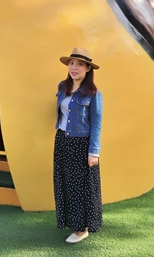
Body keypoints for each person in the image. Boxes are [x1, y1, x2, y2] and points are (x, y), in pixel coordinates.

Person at [54, 47, 103, 244]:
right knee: (63, 183)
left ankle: (81, 229)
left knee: (79, 188)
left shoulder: (93, 93)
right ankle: (71, 222)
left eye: (79, 64)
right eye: (71, 63)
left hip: (80, 144)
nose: (74, 68)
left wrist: (94, 152)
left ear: (88, 68)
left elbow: (96, 123)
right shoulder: (62, 87)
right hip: (62, 140)